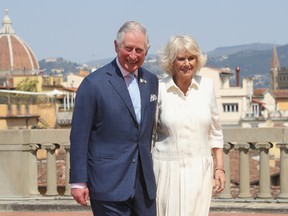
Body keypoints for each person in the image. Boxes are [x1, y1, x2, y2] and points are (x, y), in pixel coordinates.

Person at [69, 21, 158, 216]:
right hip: (107, 184)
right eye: (128, 49)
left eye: (139, 50)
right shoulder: (93, 84)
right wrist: (78, 181)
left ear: (147, 51)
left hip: (144, 185)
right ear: (116, 46)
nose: (133, 55)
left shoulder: (152, 81)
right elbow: (79, 136)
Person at [152, 35, 226, 216]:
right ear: (171, 61)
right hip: (167, 170)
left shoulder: (207, 87)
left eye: (191, 58)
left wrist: (219, 169)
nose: (187, 63)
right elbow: (149, 134)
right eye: (181, 58)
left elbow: (215, 131)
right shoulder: (159, 88)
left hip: (200, 170)